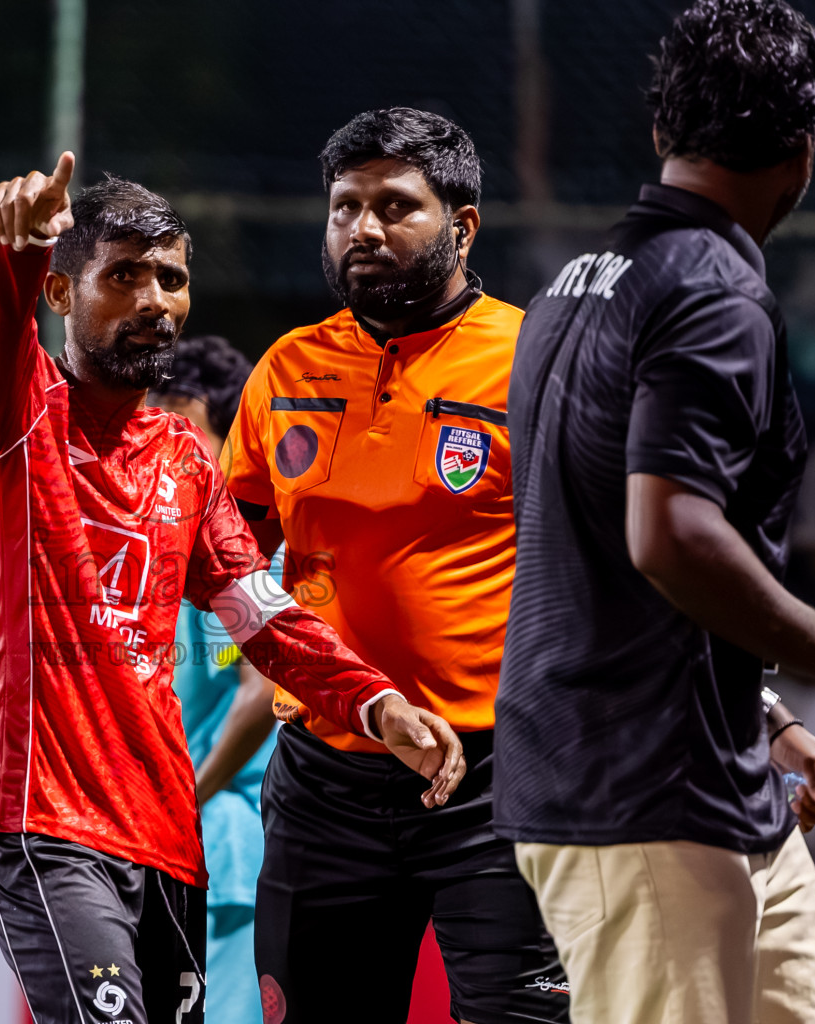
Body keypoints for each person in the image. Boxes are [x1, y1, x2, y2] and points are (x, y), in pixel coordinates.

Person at [495, 3, 815, 1022]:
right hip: (642, 798)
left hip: (714, 778)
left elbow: (604, 555)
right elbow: (669, 536)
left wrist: (774, 718)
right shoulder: (712, 290)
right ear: (804, 151)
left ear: (661, 132)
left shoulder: (576, 283)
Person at [0, 151, 463, 1024]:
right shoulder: (16, 417)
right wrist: (21, 248)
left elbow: (260, 617)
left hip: (168, 840)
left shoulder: (187, 460)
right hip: (44, 819)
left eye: (172, 279)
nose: (155, 299)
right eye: (124, 276)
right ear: (62, 296)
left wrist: (376, 703)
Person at [223, 108, 569, 1024]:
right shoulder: (286, 368)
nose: (362, 228)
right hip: (324, 781)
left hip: (497, 786)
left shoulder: (533, 360)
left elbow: (607, 565)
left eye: (393, 205)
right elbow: (227, 564)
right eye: (344, 207)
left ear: (463, 224)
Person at [151, 335, 279, 1024]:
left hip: (230, 841)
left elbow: (262, 689)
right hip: (167, 845)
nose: (164, 442)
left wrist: (186, 803)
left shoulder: (259, 557)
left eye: (183, 426)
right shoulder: (163, 553)